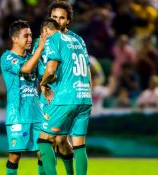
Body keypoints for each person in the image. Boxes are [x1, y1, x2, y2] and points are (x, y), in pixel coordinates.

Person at [38, 18, 92, 175]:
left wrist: (43, 83)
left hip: (66, 98)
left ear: (46, 31)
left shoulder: (52, 39)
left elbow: (50, 70)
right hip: (84, 97)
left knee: (44, 141)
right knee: (79, 145)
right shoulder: (77, 40)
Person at [0, 20, 47, 175]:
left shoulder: (34, 57)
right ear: (14, 39)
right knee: (15, 155)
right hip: (18, 115)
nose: (29, 39)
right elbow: (26, 70)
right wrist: (40, 48)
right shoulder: (7, 58)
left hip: (37, 114)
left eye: (31, 36)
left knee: (44, 152)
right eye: (25, 36)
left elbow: (45, 76)